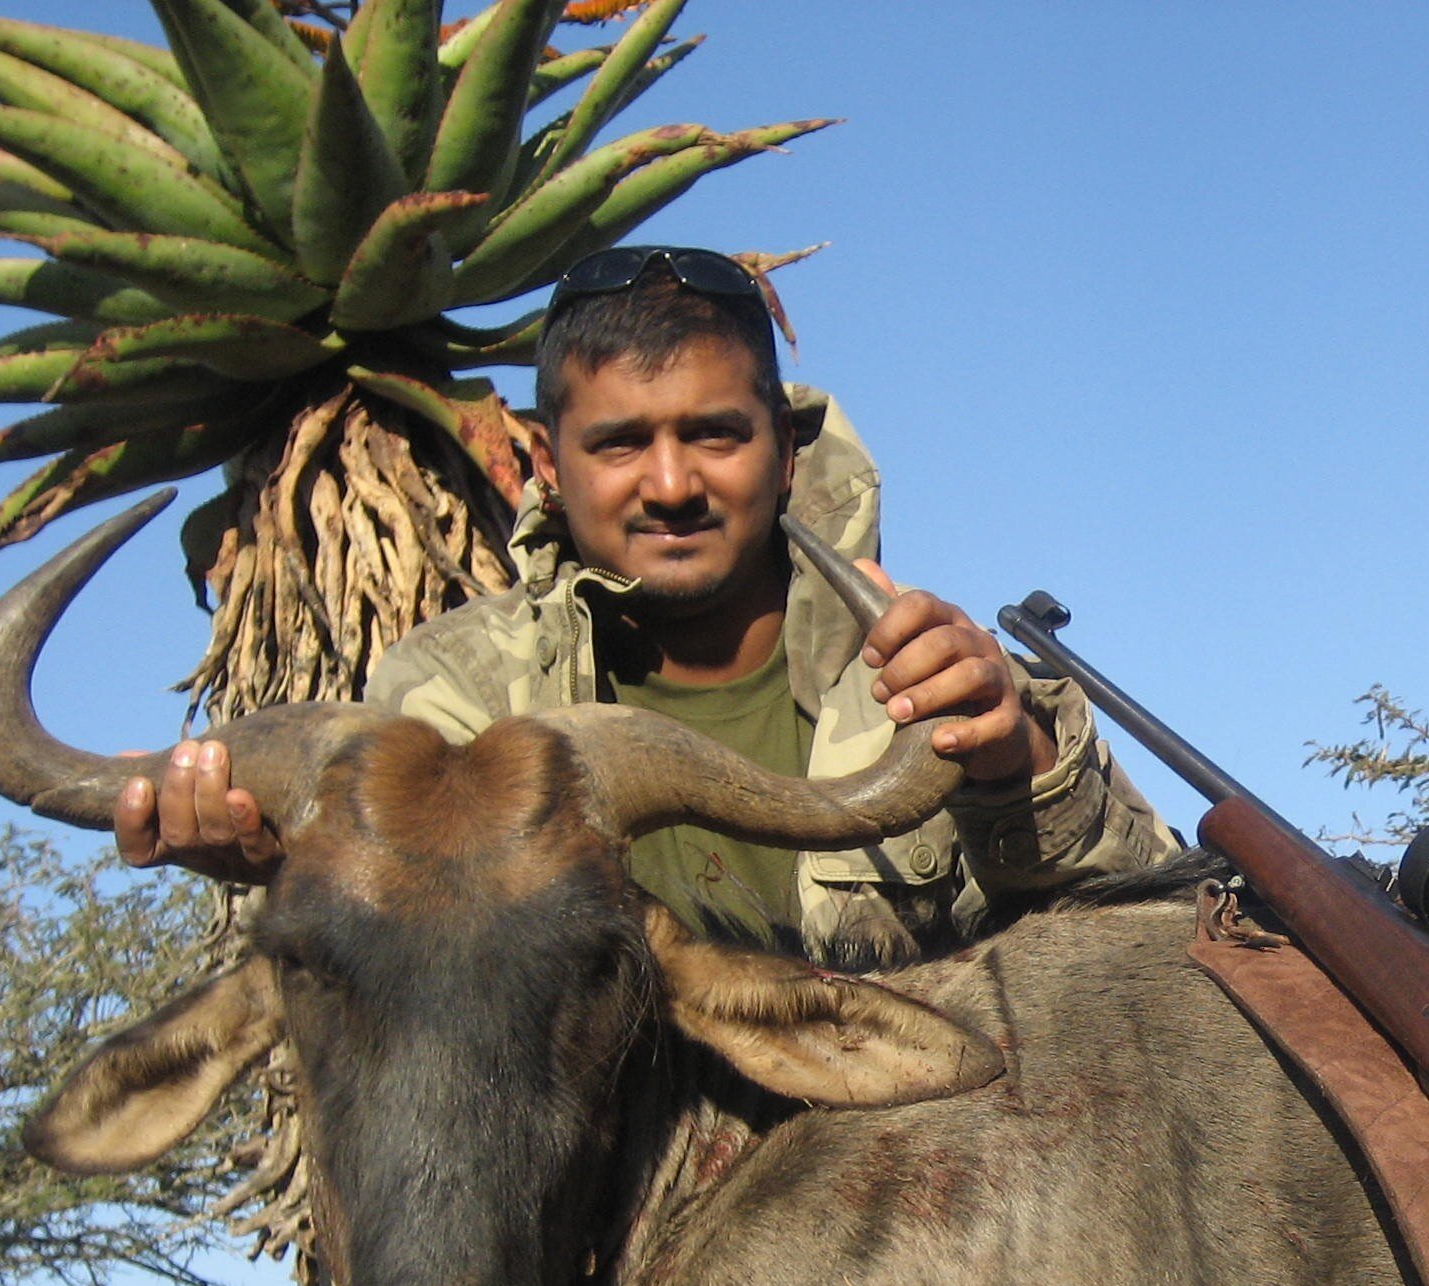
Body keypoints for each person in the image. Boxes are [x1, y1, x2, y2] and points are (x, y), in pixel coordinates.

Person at [116, 246, 1175, 955]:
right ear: (548, 461)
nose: (670, 486)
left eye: (714, 433)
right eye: (620, 443)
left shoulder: (936, 667)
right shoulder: (447, 693)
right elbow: (417, 972)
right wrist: (283, 869)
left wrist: (1019, 763)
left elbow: (1160, 921)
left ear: (784, 446)